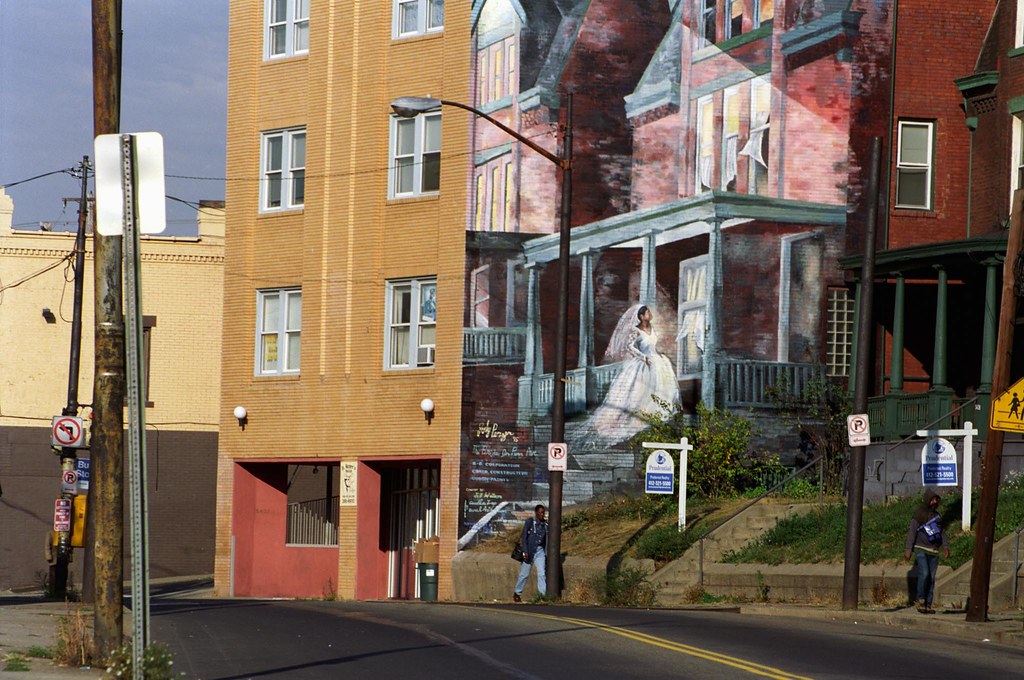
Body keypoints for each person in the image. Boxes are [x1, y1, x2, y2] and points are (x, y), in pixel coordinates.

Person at [585, 304, 679, 445]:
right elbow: (629, 347)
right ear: (641, 316)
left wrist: (657, 355)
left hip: (656, 360)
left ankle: (658, 414)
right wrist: (643, 357)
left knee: (659, 387)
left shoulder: (652, 329)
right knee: (640, 391)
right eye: (647, 312)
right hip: (644, 361)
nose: (650, 314)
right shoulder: (636, 331)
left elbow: (652, 345)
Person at [904, 490, 949, 614]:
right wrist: (908, 549)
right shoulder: (919, 514)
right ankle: (921, 600)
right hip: (921, 548)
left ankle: (928, 604)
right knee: (924, 573)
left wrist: (945, 546)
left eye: (936, 500)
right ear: (927, 500)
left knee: (932, 578)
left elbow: (942, 532)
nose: (934, 502)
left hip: (934, 551)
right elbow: (912, 532)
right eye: (932, 499)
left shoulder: (937, 516)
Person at [513, 504, 548, 602]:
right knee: (524, 574)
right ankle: (517, 592)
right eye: (540, 512)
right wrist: (525, 550)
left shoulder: (545, 524)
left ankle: (542, 595)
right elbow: (524, 536)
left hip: (540, 551)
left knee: (541, 573)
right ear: (536, 512)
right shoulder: (530, 522)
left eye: (543, 512)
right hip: (529, 551)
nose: (542, 514)